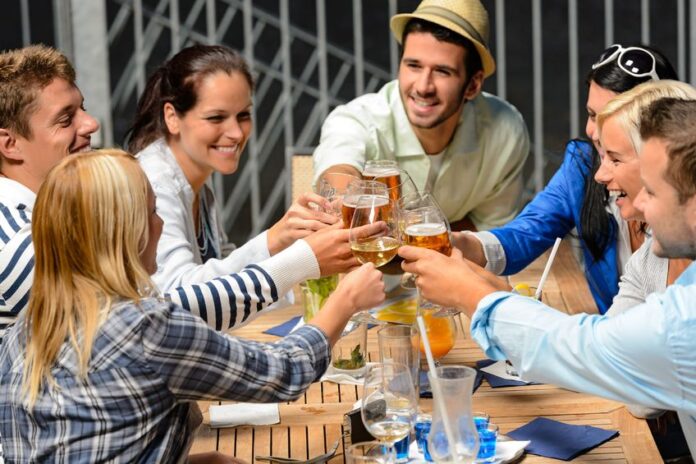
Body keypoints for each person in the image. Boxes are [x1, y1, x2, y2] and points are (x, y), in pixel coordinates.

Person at [0, 150, 386, 462]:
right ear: (124, 231)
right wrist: (345, 300)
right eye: (152, 213)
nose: (160, 226)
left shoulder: (23, 329)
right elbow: (281, 374)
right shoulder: (145, 326)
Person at [399, 97, 696, 457]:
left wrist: (474, 296)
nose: (641, 205)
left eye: (651, 191)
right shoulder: (671, 271)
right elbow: (617, 365)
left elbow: (591, 352)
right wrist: (487, 290)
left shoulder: (685, 317)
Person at [0, 45, 359, 334]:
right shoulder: (18, 242)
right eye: (66, 119)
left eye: (83, 109)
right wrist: (297, 260)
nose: (91, 124)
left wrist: (281, 247)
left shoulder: (52, 214)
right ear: (9, 144)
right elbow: (157, 323)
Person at [453, 44, 678, 314]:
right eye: (593, 115)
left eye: (611, 118)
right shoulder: (584, 166)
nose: (595, 132)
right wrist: (459, 244)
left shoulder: (681, 209)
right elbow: (528, 231)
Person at [127, 44, 346, 293]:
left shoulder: (197, 181)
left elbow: (220, 263)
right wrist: (276, 241)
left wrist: (289, 241)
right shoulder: (153, 183)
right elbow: (180, 295)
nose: (236, 133)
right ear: (172, 117)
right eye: (216, 118)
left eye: (243, 115)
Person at [312, 0, 530, 231]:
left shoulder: (505, 130)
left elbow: (489, 229)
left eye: (442, 71)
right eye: (414, 66)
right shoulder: (357, 119)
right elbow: (339, 169)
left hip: (453, 264)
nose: (423, 86)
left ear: (473, 85)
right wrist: (345, 199)